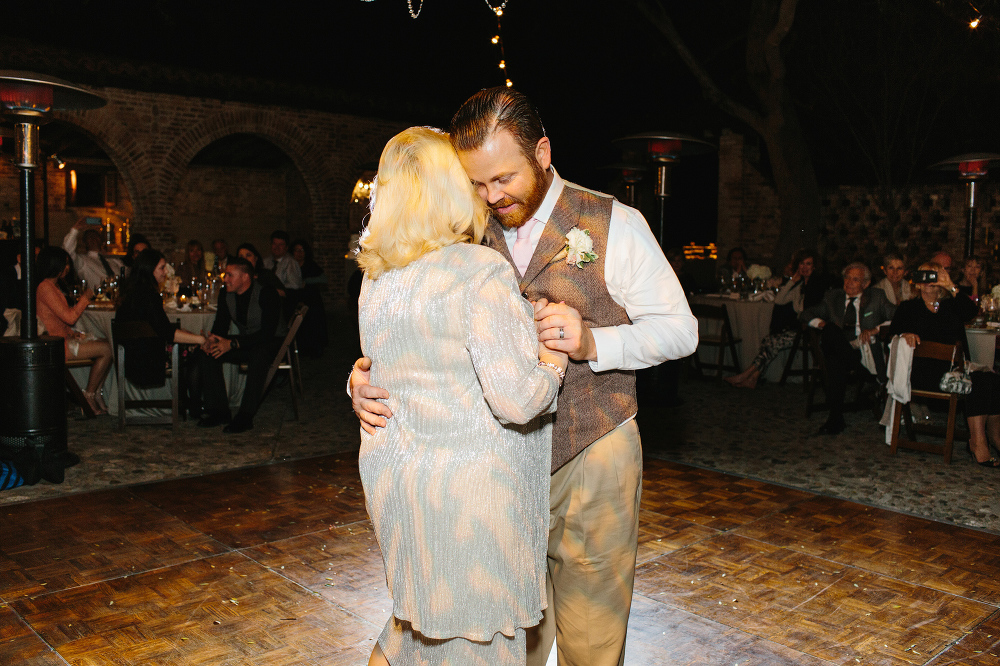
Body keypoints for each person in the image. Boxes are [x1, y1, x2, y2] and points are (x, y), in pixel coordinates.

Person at [351, 87, 699, 666]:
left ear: (542, 152)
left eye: (504, 178)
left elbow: (680, 330)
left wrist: (593, 341)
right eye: (477, 184)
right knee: (507, 636)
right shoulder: (460, 232)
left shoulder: (613, 221)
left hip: (591, 452)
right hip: (493, 479)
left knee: (590, 635)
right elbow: (413, 323)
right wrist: (362, 377)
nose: (492, 196)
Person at [357, 126, 566, 666]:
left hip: (402, 489)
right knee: (478, 642)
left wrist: (354, 383)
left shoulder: (376, 280)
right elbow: (517, 400)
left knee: (415, 627)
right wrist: (552, 363)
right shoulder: (477, 271)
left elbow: (387, 368)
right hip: (473, 505)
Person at [886, 263, 1000, 467]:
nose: (929, 281)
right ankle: (979, 443)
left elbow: (971, 312)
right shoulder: (908, 308)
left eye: (934, 276)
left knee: (991, 379)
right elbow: (891, 337)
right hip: (924, 374)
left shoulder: (951, 307)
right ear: (918, 283)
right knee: (980, 380)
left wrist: (951, 286)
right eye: (924, 276)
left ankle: (990, 437)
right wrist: (904, 335)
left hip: (953, 371)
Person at [801, 261, 896, 435]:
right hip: (839, 347)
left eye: (855, 279)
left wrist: (875, 330)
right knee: (831, 331)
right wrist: (821, 324)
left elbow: (898, 317)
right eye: (847, 278)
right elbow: (806, 313)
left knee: (835, 360)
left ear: (866, 284)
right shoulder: (832, 297)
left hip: (861, 350)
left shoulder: (876, 297)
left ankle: (835, 419)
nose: (849, 282)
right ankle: (860, 372)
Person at [195, 257, 282, 434]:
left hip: (271, 342)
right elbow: (221, 325)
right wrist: (212, 340)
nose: (225, 279)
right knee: (209, 352)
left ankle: (245, 416)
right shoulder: (225, 294)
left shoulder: (266, 293)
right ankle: (219, 411)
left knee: (259, 354)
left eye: (229, 275)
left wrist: (233, 344)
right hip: (248, 342)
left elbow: (267, 333)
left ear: (245, 277)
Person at [726, 249, 826, 389]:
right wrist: (792, 281)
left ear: (814, 267)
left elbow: (807, 310)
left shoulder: (816, 285)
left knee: (772, 341)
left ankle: (748, 375)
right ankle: (752, 377)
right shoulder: (799, 286)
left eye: (808, 264)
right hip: (798, 330)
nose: (804, 267)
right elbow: (779, 300)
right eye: (802, 264)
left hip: (809, 331)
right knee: (769, 341)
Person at [35, 247, 113, 416]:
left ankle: (96, 393)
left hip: (63, 338)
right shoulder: (45, 287)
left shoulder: (53, 286)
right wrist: (85, 298)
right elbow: (70, 317)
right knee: (107, 349)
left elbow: (59, 320)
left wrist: (72, 334)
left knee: (108, 345)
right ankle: (89, 395)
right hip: (56, 346)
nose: (68, 268)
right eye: (66, 264)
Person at [115, 248, 207, 388]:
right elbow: (167, 333)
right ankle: (190, 406)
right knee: (199, 353)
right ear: (149, 269)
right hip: (149, 361)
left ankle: (184, 403)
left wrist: (192, 336)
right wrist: (201, 340)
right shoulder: (149, 295)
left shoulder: (131, 291)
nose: (165, 272)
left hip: (129, 358)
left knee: (192, 345)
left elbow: (160, 326)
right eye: (162, 268)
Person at [290, 238, 328, 356]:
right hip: (296, 298)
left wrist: (306, 281)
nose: (299, 253)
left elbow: (323, 278)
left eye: (302, 250)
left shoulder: (310, 265)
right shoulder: (290, 265)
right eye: (297, 250)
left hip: (311, 299)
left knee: (313, 324)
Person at [62, 220, 123, 288]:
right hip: (98, 296)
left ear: (101, 240)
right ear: (84, 242)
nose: (93, 239)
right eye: (89, 237)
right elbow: (67, 251)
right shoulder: (82, 261)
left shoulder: (113, 260)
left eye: (95, 236)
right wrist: (75, 229)